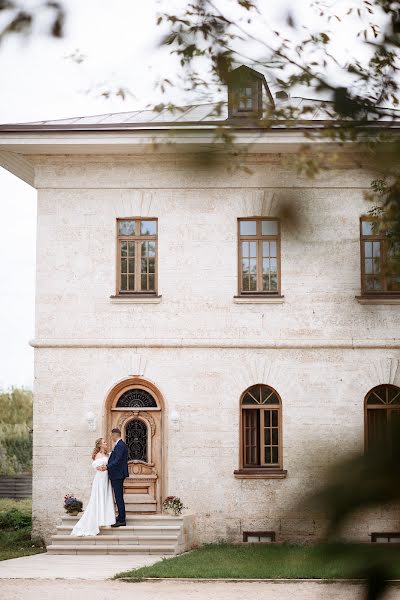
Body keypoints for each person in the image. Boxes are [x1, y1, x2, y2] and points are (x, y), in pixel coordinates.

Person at [70, 437, 116, 536]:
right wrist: (102, 467)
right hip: (100, 479)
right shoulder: (99, 455)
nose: (106, 443)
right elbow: (98, 467)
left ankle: (105, 519)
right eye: (104, 442)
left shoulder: (106, 454)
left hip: (106, 479)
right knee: (99, 497)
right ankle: (99, 520)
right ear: (100, 445)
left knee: (106, 497)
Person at [97, 427, 129, 527]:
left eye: (111, 435)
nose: (111, 437)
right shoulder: (119, 444)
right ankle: (120, 516)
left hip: (118, 475)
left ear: (115, 435)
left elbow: (118, 460)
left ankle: (122, 520)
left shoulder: (119, 445)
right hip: (117, 474)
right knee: (118, 497)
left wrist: (107, 466)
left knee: (119, 498)